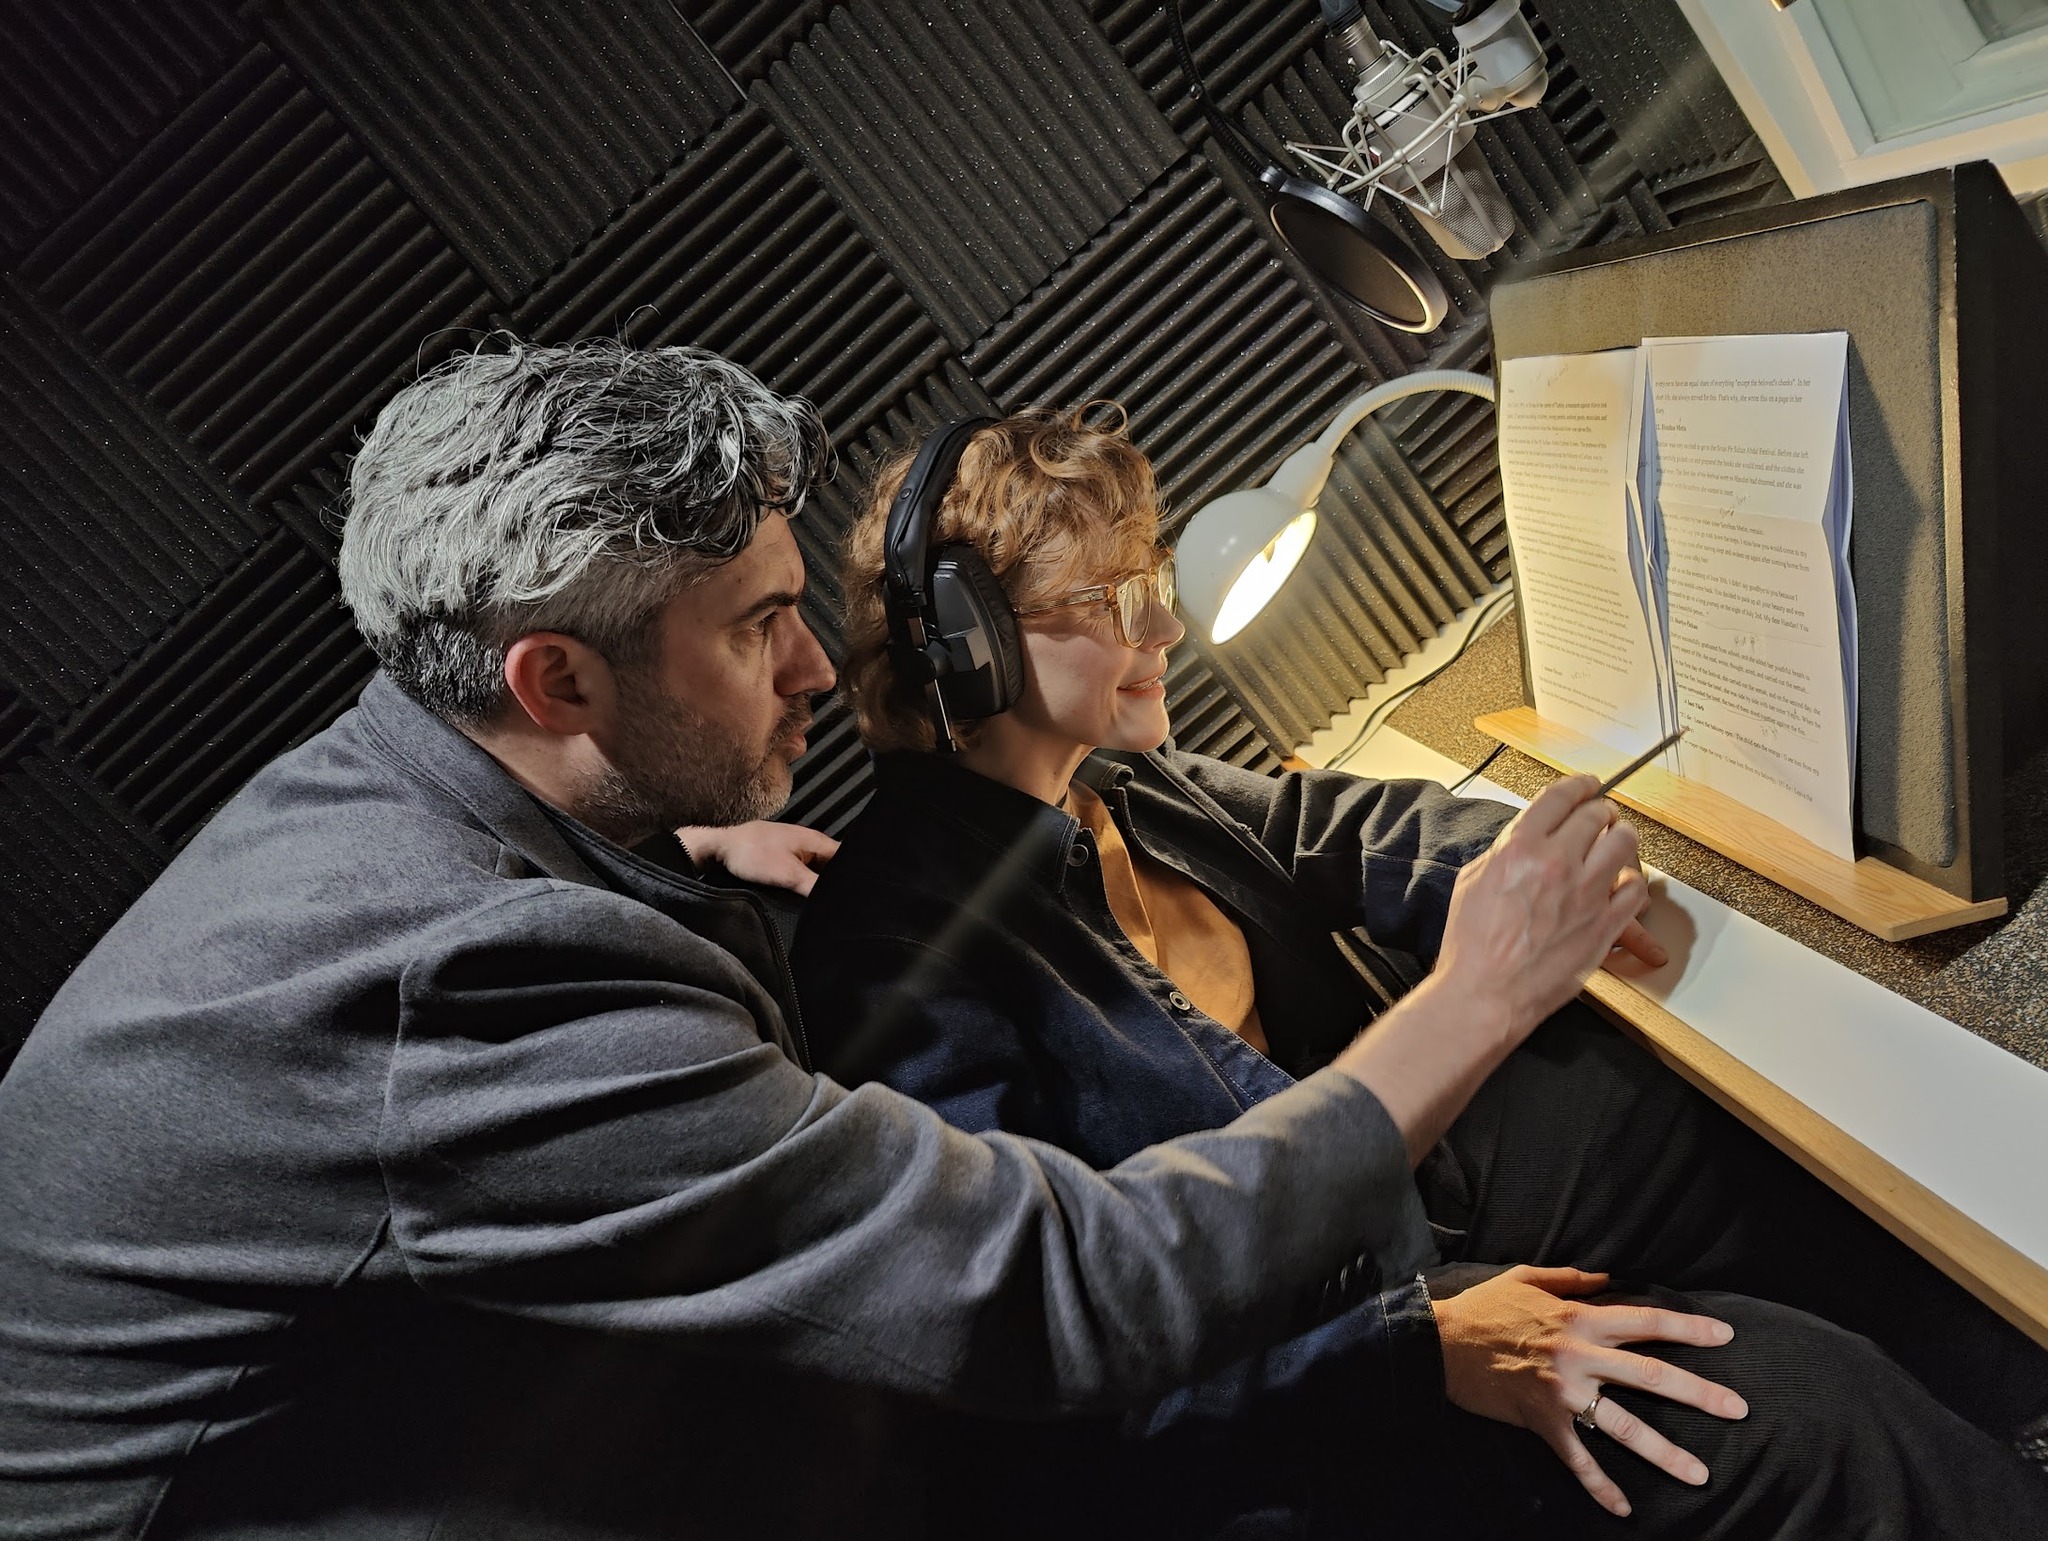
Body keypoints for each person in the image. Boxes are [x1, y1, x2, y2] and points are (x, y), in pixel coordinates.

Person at [0, 342, 1684, 1539]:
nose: (816, 666)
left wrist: (658, 839)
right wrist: (1473, 997)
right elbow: (1059, 1291)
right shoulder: (468, 980)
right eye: (754, 631)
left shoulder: (417, 803)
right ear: (557, 682)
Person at [792, 403, 2048, 1539]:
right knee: (1810, 1419)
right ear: (969, 650)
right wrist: (1416, 1343)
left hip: (1394, 1202)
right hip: (1317, 1371)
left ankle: (2009, 1382)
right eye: (1113, 601)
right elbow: (1040, 1385)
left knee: (1695, 1122)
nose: (1164, 627)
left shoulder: (1111, 777)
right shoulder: (892, 961)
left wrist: (1518, 862)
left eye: (1154, 579)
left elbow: (1331, 828)